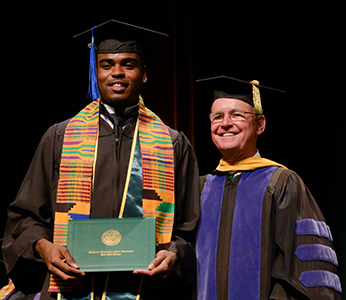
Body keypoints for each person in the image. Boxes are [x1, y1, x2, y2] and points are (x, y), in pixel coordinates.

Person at [1, 21, 199, 300]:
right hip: (73, 288)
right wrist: (43, 247)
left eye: (128, 64)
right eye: (107, 65)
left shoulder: (173, 143)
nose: (117, 72)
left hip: (145, 290)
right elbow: (25, 216)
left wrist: (174, 255)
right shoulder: (60, 137)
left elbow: (188, 229)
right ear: (96, 73)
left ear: (144, 74)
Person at [196, 76, 342, 299]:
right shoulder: (201, 188)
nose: (225, 123)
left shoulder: (281, 183)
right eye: (217, 117)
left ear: (260, 124)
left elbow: (305, 268)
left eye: (236, 115)